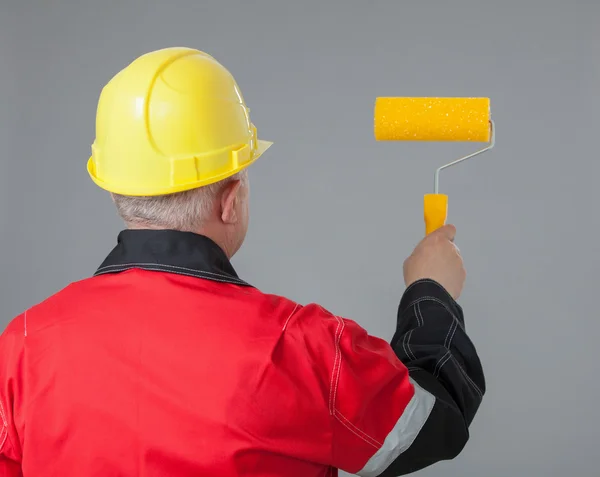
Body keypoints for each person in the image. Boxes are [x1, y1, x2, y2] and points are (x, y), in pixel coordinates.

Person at [0, 47, 485, 477]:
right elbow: (435, 422)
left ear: (117, 188)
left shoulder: (21, 347)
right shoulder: (302, 348)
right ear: (230, 199)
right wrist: (430, 292)